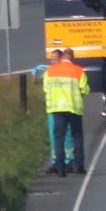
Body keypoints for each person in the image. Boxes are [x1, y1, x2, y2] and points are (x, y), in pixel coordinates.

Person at [44, 47, 89, 175]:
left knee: (59, 138)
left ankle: (60, 169)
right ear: (72, 58)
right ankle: (79, 167)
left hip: (57, 108)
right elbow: (85, 89)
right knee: (77, 136)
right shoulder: (78, 71)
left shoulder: (51, 70)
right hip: (74, 108)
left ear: (62, 57)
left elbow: (46, 88)